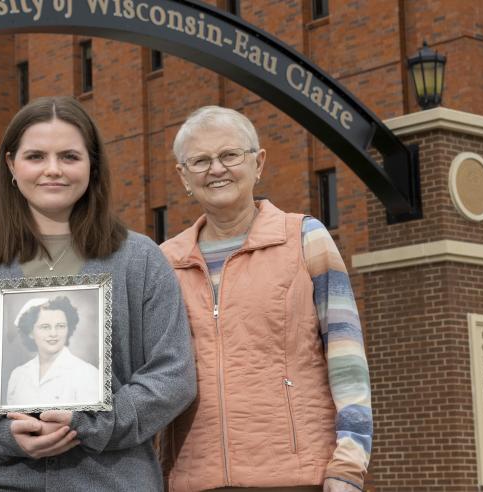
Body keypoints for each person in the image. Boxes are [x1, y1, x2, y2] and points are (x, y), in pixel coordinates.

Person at [0, 96, 196, 490]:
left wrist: (96, 423)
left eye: (69, 156)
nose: (53, 170)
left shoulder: (140, 260)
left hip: (111, 481)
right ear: (11, 165)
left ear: (92, 164)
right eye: (36, 157)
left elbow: (173, 373)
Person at [158, 106, 372, 492]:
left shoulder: (305, 238)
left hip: (296, 477)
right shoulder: (162, 262)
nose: (216, 169)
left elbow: (347, 358)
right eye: (201, 161)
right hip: (192, 478)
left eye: (229, 156)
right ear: (183, 176)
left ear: (258, 163)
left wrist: (349, 464)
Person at [6, 296, 100, 406]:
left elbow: (92, 421)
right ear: (30, 332)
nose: (53, 333)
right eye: (45, 327)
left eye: (60, 326)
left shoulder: (86, 373)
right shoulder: (18, 376)